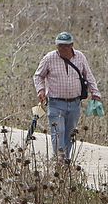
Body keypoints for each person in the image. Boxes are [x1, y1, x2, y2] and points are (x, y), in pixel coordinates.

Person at [32, 32, 103, 165]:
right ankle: (59, 159)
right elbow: (38, 76)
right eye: (60, 46)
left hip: (74, 103)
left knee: (70, 134)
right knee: (58, 132)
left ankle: (66, 160)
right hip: (55, 103)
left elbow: (89, 76)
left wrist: (95, 93)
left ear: (71, 45)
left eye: (65, 46)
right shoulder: (49, 58)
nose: (62, 49)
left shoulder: (80, 57)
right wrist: (40, 90)